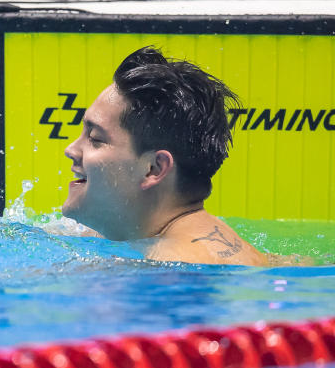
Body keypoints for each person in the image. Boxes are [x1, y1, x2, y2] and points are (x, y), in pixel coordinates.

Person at [61, 46, 266, 266]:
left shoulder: (180, 268)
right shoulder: (137, 233)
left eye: (95, 138)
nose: (71, 149)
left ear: (154, 169)